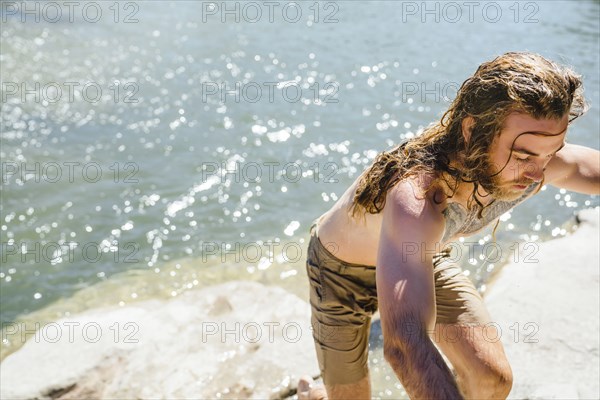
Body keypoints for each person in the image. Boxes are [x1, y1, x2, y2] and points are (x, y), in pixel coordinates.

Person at [298, 52, 600, 400]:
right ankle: (314, 394)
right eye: (522, 156)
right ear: (472, 131)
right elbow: (404, 345)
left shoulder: (538, 159)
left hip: (422, 256)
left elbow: (583, 168)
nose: (537, 173)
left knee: (491, 379)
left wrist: (539, 157)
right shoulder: (419, 196)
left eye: (550, 153)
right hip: (339, 274)